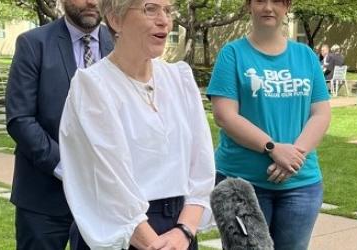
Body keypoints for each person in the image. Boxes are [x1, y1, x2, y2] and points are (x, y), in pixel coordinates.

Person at [58, 0, 215, 249]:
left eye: (168, 10)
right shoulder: (93, 87)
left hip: (179, 229)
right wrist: (155, 244)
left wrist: (184, 231)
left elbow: (202, 167)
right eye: (150, 8)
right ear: (115, 18)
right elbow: (110, 184)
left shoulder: (180, 79)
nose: (164, 20)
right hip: (122, 233)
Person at [206, 0, 331, 249]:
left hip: (301, 185)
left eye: (276, 1)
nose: (268, 7)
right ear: (249, 5)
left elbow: (321, 113)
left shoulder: (305, 56)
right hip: (243, 183)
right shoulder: (232, 54)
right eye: (260, 0)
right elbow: (225, 116)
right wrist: (274, 149)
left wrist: (294, 156)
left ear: (287, 7)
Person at [5, 0, 114, 248]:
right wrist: (66, 167)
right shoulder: (33, 44)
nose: (92, 2)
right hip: (44, 196)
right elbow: (20, 118)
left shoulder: (121, 44)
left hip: (107, 198)